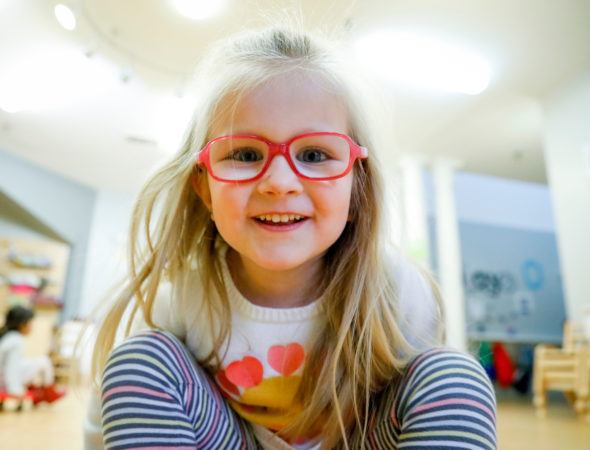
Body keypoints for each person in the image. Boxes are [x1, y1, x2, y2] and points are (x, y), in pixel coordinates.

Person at [86, 26, 496, 449]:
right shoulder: (183, 300)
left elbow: (431, 412)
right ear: (205, 188)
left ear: (357, 189)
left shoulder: (397, 292)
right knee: (139, 361)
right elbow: (109, 419)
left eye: (315, 155)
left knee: (454, 375)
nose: (279, 182)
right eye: (245, 154)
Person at [0, 306, 65, 405]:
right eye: (30, 323)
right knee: (44, 361)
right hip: (5, 381)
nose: (32, 327)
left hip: (3, 377)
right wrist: (15, 390)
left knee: (34, 361)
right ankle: (49, 392)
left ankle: (44, 389)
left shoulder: (8, 336)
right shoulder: (16, 341)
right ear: (22, 324)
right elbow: (11, 368)